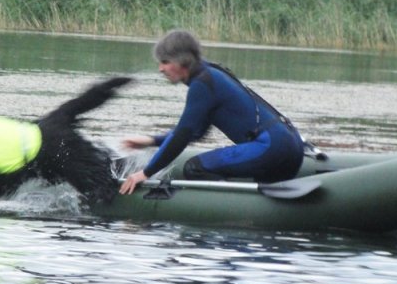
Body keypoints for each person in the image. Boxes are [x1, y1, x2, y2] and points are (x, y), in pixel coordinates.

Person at [119, 29, 305, 195]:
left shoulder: (201, 84)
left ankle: (231, 208)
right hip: (292, 147)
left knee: (195, 168)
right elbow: (196, 131)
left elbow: (183, 135)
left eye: (165, 62)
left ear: (182, 59)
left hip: (271, 148)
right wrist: (152, 141)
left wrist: (145, 173)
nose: (161, 69)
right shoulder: (210, 73)